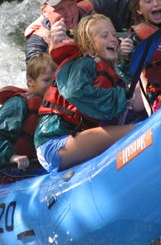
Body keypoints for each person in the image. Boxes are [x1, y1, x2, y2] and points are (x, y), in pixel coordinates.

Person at [34, 14, 144, 173]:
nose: (113, 39)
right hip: (54, 144)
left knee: (138, 122)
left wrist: (124, 60)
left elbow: (128, 84)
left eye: (114, 34)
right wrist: (120, 97)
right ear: (90, 43)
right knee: (134, 132)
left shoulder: (106, 64)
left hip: (75, 137)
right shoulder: (84, 63)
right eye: (105, 36)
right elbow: (74, 91)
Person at [24, 0, 131, 62]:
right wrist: (54, 47)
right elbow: (36, 77)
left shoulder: (93, 8)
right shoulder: (38, 41)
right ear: (44, 11)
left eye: (71, 5)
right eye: (59, 9)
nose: (68, 13)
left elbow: (134, 3)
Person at [0, 53, 56, 171]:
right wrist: (12, 157)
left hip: (44, 166)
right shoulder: (19, 103)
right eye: (46, 80)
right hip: (18, 171)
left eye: (54, 80)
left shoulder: (59, 100)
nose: (52, 85)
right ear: (30, 81)